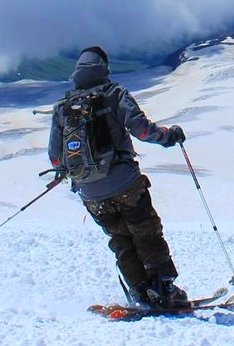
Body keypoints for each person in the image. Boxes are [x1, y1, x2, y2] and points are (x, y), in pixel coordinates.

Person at [48, 46, 188, 308]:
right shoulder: (115, 94)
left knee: (120, 239)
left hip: (90, 193)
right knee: (146, 230)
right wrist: (169, 136)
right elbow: (142, 130)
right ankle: (164, 288)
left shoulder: (63, 107)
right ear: (104, 67)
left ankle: (140, 292)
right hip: (125, 182)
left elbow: (55, 157)